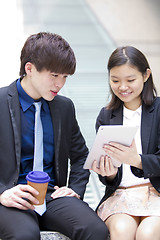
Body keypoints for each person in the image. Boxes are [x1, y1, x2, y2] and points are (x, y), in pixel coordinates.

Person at [0, 32, 108, 240]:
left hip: (52, 195)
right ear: (29, 69)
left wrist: (75, 189)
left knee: (96, 230)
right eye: (54, 75)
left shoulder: (64, 107)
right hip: (12, 195)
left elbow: (80, 156)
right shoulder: (1, 102)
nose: (60, 84)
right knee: (25, 235)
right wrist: (2, 192)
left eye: (65, 77)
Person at [91, 46, 160, 240]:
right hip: (121, 196)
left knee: (147, 234)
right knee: (122, 231)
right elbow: (109, 179)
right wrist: (109, 173)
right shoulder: (106, 116)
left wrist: (137, 160)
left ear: (146, 75)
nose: (122, 87)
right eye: (115, 80)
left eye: (130, 80)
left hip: (156, 194)